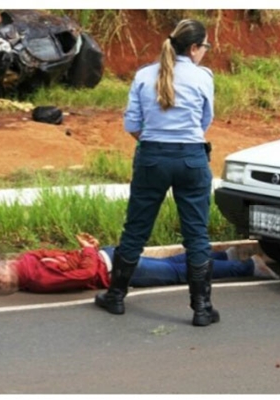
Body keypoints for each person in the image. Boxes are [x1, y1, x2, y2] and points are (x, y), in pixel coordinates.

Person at [94, 19, 219, 326]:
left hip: (152, 157)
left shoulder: (143, 75)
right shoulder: (203, 77)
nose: (205, 51)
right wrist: (183, 140)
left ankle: (116, 297)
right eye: (204, 46)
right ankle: (201, 309)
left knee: (136, 228)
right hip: (191, 158)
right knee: (196, 234)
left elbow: (132, 125)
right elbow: (205, 120)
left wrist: (155, 143)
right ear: (193, 48)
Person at [0, 233, 279, 294]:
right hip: (110, 255)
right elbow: (69, 259)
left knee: (175, 274)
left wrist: (88, 251)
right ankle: (223, 255)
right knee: (172, 262)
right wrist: (89, 250)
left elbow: (85, 274)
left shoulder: (35, 278)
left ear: (4, 262)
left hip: (109, 267)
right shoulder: (29, 260)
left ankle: (247, 267)